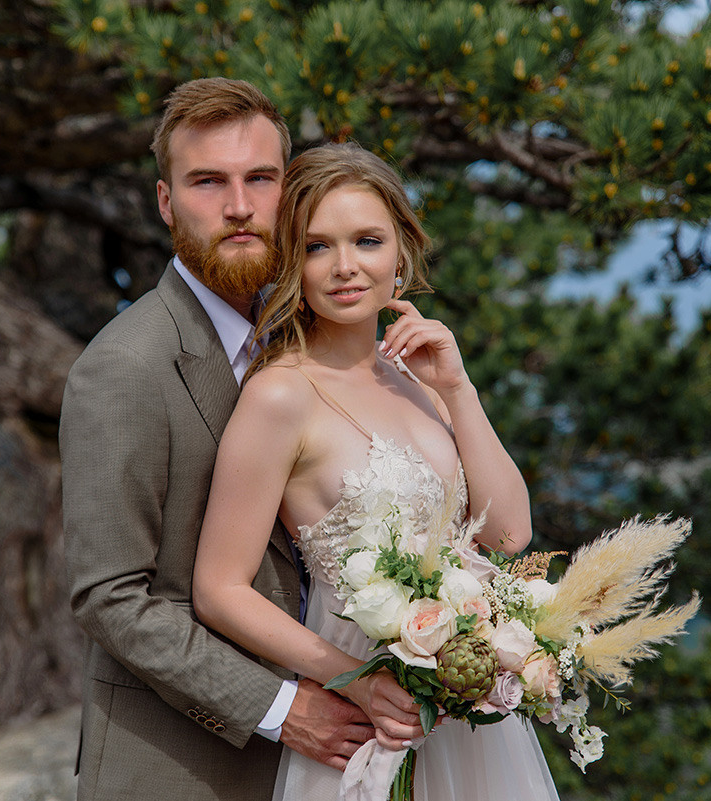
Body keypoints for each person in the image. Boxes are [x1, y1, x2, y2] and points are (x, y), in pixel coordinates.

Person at [193, 142, 562, 800]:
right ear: (290, 261)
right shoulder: (280, 396)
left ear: (401, 252)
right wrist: (355, 679)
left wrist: (458, 387)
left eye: (366, 240)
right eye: (316, 246)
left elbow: (507, 534)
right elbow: (219, 588)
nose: (345, 268)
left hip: (465, 706)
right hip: (364, 706)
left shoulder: (415, 378)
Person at [60, 79, 377, 801]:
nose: (238, 206)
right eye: (208, 182)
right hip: (180, 770)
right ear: (167, 201)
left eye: (259, 178)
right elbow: (111, 595)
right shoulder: (124, 367)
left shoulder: (317, 339)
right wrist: (281, 708)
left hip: (342, 765)